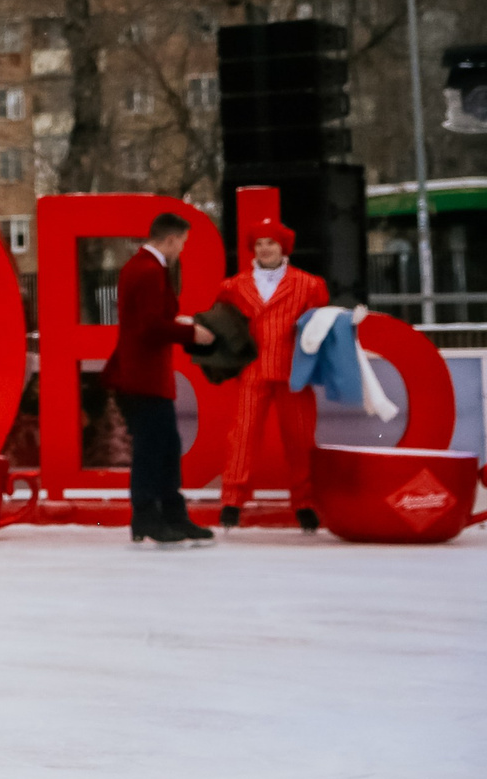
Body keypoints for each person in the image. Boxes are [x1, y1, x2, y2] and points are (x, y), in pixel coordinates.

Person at [212, 217, 356, 536]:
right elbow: (224, 324)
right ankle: (232, 502)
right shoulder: (233, 287)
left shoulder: (308, 284)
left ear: (283, 247)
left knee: (300, 439)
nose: (265, 249)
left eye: (271, 243)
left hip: (295, 372)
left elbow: (319, 327)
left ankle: (305, 504)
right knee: (243, 437)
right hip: (252, 370)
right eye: (259, 243)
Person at [100, 212, 215, 546]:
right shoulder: (150, 271)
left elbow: (145, 320)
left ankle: (164, 516)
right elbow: (150, 327)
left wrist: (177, 322)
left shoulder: (140, 268)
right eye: (182, 242)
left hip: (142, 375)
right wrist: (191, 332)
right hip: (144, 377)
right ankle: (153, 516)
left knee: (163, 447)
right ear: (170, 239)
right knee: (156, 450)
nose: (182, 249)